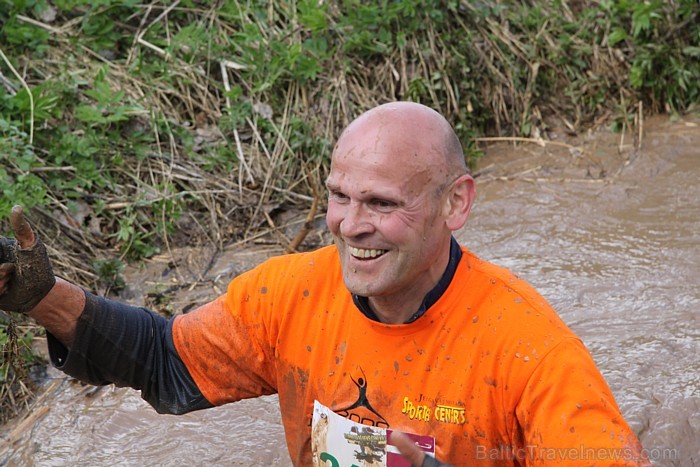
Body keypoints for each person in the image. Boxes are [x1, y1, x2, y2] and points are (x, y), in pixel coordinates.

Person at [0, 102, 648, 466]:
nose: (351, 225)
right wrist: (42, 299)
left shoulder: (528, 349)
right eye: (339, 196)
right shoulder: (293, 295)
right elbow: (165, 360)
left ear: (456, 203)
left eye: (381, 202)